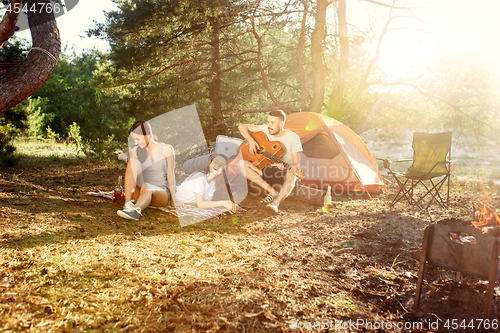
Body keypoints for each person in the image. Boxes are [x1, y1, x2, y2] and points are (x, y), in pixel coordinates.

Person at [237, 110, 302, 213]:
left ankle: (275, 203)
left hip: (283, 173)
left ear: (281, 124)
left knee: (293, 172)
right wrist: (251, 140)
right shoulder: (265, 130)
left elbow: (296, 163)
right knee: (241, 164)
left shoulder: (293, 138)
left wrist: (287, 166)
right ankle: (272, 191)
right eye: (268, 122)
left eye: (272, 123)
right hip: (266, 170)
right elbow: (241, 127)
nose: (269, 125)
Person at [117, 120, 177, 220]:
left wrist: (174, 202)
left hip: (160, 194)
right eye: (134, 140)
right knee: (132, 162)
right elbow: (132, 175)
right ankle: (128, 205)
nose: (136, 143)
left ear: (148, 135)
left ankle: (136, 210)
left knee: (147, 186)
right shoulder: (136, 150)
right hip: (140, 193)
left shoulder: (167, 149)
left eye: (137, 139)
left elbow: (171, 176)